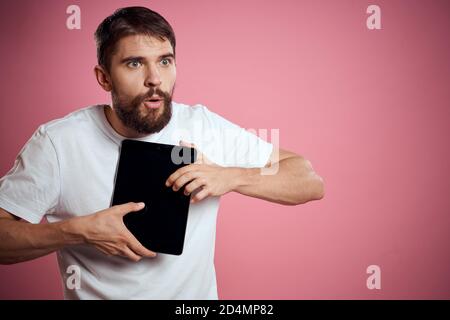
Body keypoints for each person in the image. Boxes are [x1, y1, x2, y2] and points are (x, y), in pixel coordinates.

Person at [0, 6, 324, 299]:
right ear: (104, 78)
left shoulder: (203, 126)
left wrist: (230, 177)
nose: (155, 79)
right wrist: (78, 231)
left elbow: (308, 180)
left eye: (164, 61)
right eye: (134, 63)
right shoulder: (58, 142)